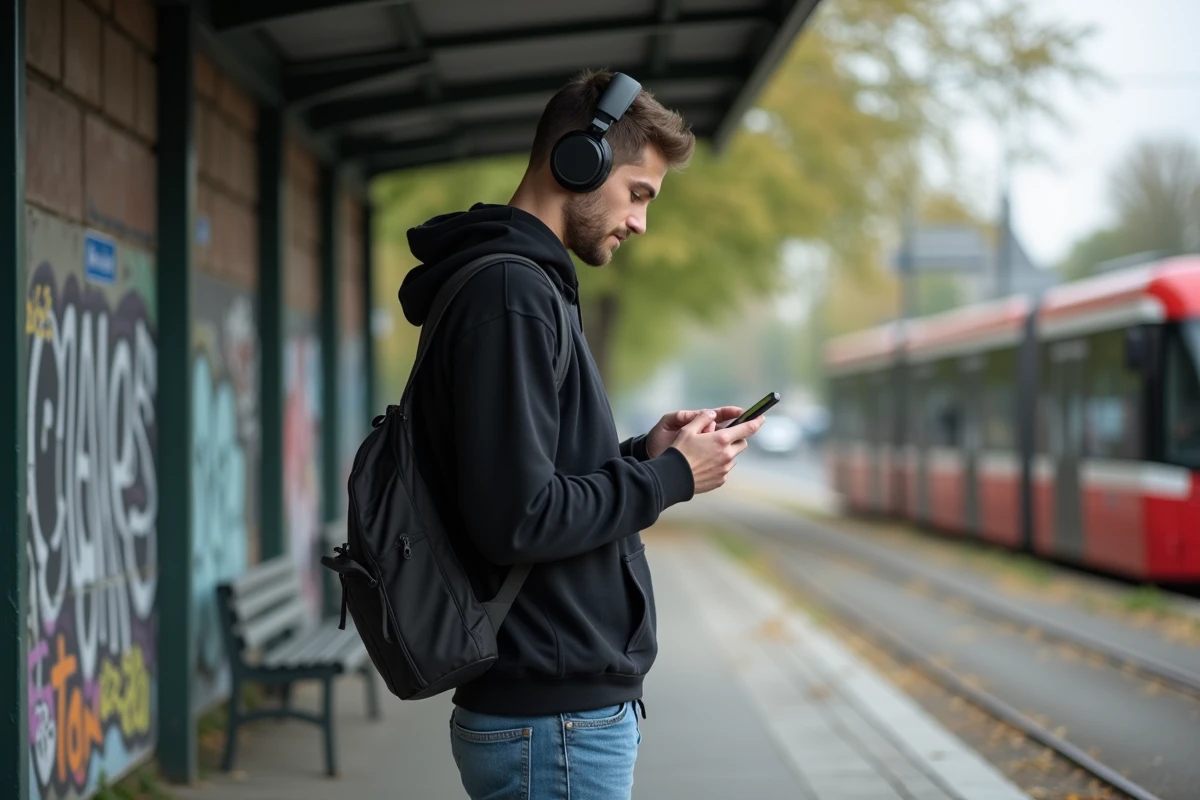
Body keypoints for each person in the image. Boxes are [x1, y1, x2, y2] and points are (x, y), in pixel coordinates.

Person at [397, 68, 766, 800]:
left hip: (557, 719)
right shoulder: (513, 297)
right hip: (554, 724)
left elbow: (528, 480)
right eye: (638, 194)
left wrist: (645, 455)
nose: (640, 223)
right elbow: (518, 519)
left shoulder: (524, 290)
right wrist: (671, 479)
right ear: (579, 160)